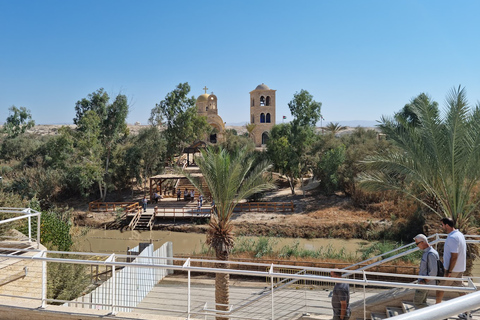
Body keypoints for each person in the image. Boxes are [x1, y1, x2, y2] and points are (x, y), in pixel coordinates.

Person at [436, 217, 469, 319]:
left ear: (447, 225)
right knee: (460, 289)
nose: (442, 227)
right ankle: (467, 312)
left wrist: (449, 271)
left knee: (439, 288)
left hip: (452, 269)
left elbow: (454, 256)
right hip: (459, 268)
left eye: (442, 225)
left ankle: (437, 313)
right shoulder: (460, 235)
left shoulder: (452, 238)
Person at [413, 234, 439, 309]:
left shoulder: (431, 254)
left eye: (417, 243)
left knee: (418, 303)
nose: (417, 245)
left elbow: (433, 272)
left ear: (423, 242)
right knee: (421, 303)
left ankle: (435, 313)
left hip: (424, 283)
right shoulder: (428, 253)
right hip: (424, 282)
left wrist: (424, 281)